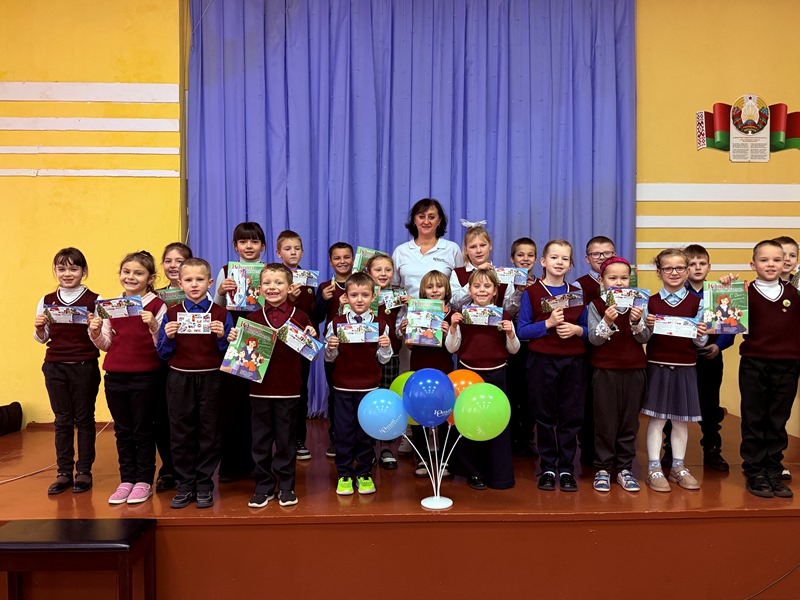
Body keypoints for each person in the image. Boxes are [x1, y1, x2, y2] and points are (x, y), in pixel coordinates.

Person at [228, 264, 316, 508]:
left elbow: (311, 352)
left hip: (289, 390)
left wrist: (311, 334)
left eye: (278, 283)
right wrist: (234, 340)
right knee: (260, 441)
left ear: (290, 287)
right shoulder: (251, 319)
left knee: (286, 441)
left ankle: (286, 486)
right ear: (259, 289)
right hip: (259, 391)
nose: (272, 287)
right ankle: (263, 487)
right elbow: (240, 356)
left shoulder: (300, 317)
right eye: (267, 283)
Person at [89, 251, 166, 505]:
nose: (131, 277)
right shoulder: (111, 305)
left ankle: (144, 480)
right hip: (115, 376)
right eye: (127, 272)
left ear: (150, 278)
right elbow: (106, 344)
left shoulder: (157, 305)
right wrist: (95, 332)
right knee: (122, 430)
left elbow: (163, 346)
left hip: (146, 376)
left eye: (138, 273)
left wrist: (153, 325)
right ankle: (126, 480)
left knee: (143, 430)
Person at [158, 258, 233, 508]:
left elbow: (230, 355)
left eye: (199, 279)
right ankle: (185, 484)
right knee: (181, 432)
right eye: (188, 280)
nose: (194, 284)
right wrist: (168, 337)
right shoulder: (171, 313)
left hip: (212, 378)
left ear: (210, 283)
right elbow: (163, 354)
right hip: (179, 379)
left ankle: (204, 484)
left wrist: (222, 336)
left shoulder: (221, 314)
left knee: (209, 432)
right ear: (180, 283)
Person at [517, 240, 587, 492]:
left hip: (573, 362)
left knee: (571, 415)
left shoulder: (576, 293)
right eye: (554, 257)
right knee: (544, 415)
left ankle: (566, 468)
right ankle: (547, 467)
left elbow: (588, 329)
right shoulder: (532, 292)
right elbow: (522, 330)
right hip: (542, 362)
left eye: (565, 259)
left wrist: (577, 330)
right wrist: (547, 324)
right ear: (543, 261)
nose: (559, 262)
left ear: (570, 264)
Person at [730, 240, 799, 498]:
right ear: (753, 264)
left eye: (777, 260)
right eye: (764, 260)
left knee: (778, 419)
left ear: (786, 264)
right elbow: (722, 319)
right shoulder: (743, 293)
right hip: (754, 364)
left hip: (788, 365)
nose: (771, 264)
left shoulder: (795, 293)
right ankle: (755, 471)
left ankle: (774, 470)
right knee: (754, 418)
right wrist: (725, 288)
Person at [34, 248, 102, 495]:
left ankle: (84, 471)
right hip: (55, 366)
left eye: (74, 268)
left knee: (84, 419)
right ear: (55, 271)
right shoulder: (46, 300)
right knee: (62, 420)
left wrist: (95, 327)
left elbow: (102, 339)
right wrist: (39, 328)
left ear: (84, 271)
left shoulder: (95, 300)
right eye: (61, 268)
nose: (67, 273)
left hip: (84, 366)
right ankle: (63, 471)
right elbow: (42, 338)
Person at [446, 268, 519, 490]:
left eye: (487, 286)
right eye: (477, 286)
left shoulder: (504, 315)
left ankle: (499, 474)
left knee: (496, 423)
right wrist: (454, 326)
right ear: (469, 290)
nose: (482, 290)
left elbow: (514, 349)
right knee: (470, 423)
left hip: (496, 375)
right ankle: (473, 472)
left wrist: (510, 333)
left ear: (495, 290)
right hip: (469, 375)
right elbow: (452, 348)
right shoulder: (462, 315)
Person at [642, 248, 708, 493]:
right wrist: (646, 325)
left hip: (686, 367)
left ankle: (678, 467)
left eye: (680, 268)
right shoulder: (649, 302)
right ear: (659, 272)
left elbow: (700, 342)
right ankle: (654, 468)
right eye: (668, 268)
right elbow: (642, 337)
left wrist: (701, 333)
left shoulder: (699, 303)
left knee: (681, 420)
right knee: (657, 419)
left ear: (687, 271)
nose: (674, 272)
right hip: (657, 366)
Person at [324, 272, 393, 496]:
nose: (359, 300)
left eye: (365, 295)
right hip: (343, 389)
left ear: (373, 296)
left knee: (365, 434)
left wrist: (385, 346)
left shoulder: (380, 325)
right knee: (343, 433)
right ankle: (344, 474)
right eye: (354, 295)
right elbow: (329, 359)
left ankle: (364, 473)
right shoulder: (336, 323)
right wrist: (331, 347)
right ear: (346, 297)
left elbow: (384, 359)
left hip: (369, 389)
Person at [586, 257, 650, 493]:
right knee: (605, 421)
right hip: (605, 371)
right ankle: (603, 468)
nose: (619, 283)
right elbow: (594, 339)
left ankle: (624, 468)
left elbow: (645, 337)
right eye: (613, 278)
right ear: (602, 281)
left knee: (629, 422)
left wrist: (636, 321)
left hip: (634, 370)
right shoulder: (596, 305)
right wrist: (606, 320)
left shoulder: (639, 303)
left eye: (624, 278)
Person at [213, 222, 266, 481]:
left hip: (262, 340)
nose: (249, 246)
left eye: (254, 241)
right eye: (243, 241)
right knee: (233, 404)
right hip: (233, 340)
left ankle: (259, 464)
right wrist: (221, 292)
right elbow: (215, 308)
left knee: (258, 406)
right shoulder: (226, 271)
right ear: (235, 246)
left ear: (262, 246)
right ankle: (232, 466)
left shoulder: (269, 271)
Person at [397, 270, 455, 477]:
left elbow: (454, 347)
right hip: (420, 367)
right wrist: (405, 332)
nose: (435, 291)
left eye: (439, 286)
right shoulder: (415, 312)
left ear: (446, 289)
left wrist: (449, 332)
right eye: (430, 287)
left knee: (445, 414)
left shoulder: (452, 314)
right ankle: (422, 458)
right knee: (420, 414)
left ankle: (445, 459)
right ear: (423, 291)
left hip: (444, 368)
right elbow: (410, 346)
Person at [683, 244, 734, 471]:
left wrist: (718, 346)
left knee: (710, 404)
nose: (697, 268)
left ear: (709, 267)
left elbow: (730, 326)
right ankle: (670, 451)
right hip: (683, 358)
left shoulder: (719, 293)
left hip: (710, 357)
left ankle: (712, 449)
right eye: (692, 264)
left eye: (702, 263)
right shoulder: (677, 293)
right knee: (676, 404)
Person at [153, 242, 193, 492]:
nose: (173, 265)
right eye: (168, 260)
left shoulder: (202, 294)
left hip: (191, 364)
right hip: (162, 363)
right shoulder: (155, 297)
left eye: (179, 261)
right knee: (163, 418)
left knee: (189, 419)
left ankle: (191, 471)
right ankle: (169, 468)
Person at [573, 236, 616, 468]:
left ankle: (613, 451)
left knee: (613, 406)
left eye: (607, 253)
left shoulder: (625, 283)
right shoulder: (579, 285)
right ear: (587, 258)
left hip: (617, 355)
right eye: (596, 254)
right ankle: (589, 450)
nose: (602, 258)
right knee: (590, 404)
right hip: (589, 353)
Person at [312, 242, 355, 458]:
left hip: (360, 348)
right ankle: (336, 438)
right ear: (330, 262)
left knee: (359, 395)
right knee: (336, 394)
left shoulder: (362, 283)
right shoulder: (324, 287)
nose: (342, 261)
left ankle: (360, 439)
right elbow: (316, 317)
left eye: (346, 257)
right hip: (334, 348)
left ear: (353, 259)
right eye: (337, 258)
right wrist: (323, 299)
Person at [275, 230, 315, 461]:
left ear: (302, 251)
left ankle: (299, 439)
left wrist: (323, 300)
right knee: (273, 393)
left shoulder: (308, 280)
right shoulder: (271, 277)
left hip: (300, 345)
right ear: (278, 253)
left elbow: (314, 315)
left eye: (297, 248)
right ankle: (275, 441)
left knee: (300, 392)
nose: (293, 252)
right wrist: (288, 299)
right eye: (287, 249)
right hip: (275, 344)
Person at [364, 254, 405, 469]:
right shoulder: (362, 294)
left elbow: (399, 329)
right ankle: (368, 448)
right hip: (364, 357)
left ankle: (387, 447)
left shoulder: (398, 297)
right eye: (377, 270)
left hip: (391, 356)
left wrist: (404, 325)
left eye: (388, 270)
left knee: (388, 401)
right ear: (368, 272)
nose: (383, 274)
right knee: (368, 402)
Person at [391, 198, 462, 298]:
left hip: (443, 308)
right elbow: (393, 287)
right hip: (407, 308)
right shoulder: (400, 251)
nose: (426, 221)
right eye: (421, 217)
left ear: (439, 221)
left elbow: (459, 288)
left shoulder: (452, 249)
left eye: (431, 217)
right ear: (414, 220)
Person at [506, 237, 538, 456]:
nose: (525, 259)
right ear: (512, 259)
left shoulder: (541, 283)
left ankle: (527, 437)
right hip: (510, 344)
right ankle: (510, 437)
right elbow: (505, 310)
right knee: (511, 390)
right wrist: (518, 291)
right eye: (520, 255)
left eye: (530, 255)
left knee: (530, 392)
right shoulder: (505, 281)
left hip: (533, 345)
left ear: (536, 259)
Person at [449, 222, 517, 311]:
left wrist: (519, 291)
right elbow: (454, 305)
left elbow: (509, 310)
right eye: (473, 247)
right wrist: (475, 276)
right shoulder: (457, 273)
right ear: (466, 250)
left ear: (490, 246)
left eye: (483, 245)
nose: (478, 250)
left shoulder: (503, 274)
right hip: (465, 320)